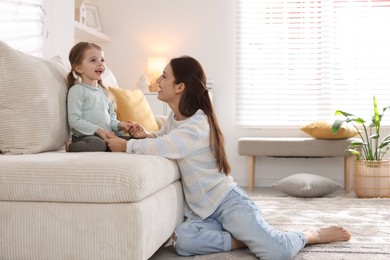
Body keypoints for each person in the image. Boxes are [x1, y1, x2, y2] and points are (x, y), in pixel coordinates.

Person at [105, 56, 351, 259]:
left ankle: (309, 234)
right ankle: (240, 239)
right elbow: (164, 139)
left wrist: (126, 146)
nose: (158, 80)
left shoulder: (198, 123)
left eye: (164, 76)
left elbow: (169, 145)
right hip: (201, 212)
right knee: (184, 242)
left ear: (180, 87)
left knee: (276, 252)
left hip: (227, 202)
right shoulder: (175, 119)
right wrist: (145, 134)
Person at [66, 42, 131, 152]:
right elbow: (74, 120)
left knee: (133, 142)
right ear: (79, 67)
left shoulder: (105, 92)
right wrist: (98, 130)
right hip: (86, 137)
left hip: (107, 136)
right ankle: (71, 146)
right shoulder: (77, 91)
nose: (100, 64)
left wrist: (121, 125)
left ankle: (109, 145)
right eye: (93, 60)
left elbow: (111, 119)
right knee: (98, 144)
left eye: (102, 60)